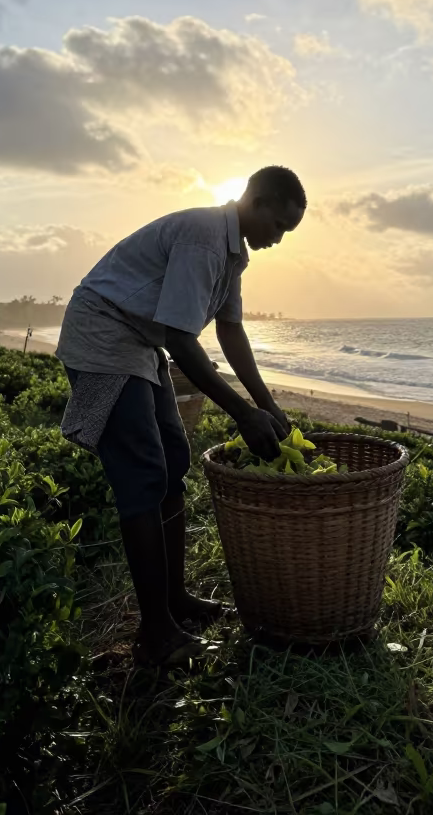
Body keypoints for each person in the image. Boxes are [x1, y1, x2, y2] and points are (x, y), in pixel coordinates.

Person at [56, 165, 306, 666]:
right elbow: (178, 337)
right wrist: (240, 414)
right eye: (278, 225)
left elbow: (230, 332)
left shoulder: (233, 255)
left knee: (174, 460)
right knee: (144, 473)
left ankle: (175, 600)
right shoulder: (205, 240)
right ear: (254, 201)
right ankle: (156, 633)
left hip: (139, 341)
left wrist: (267, 405)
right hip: (104, 335)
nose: (279, 239)